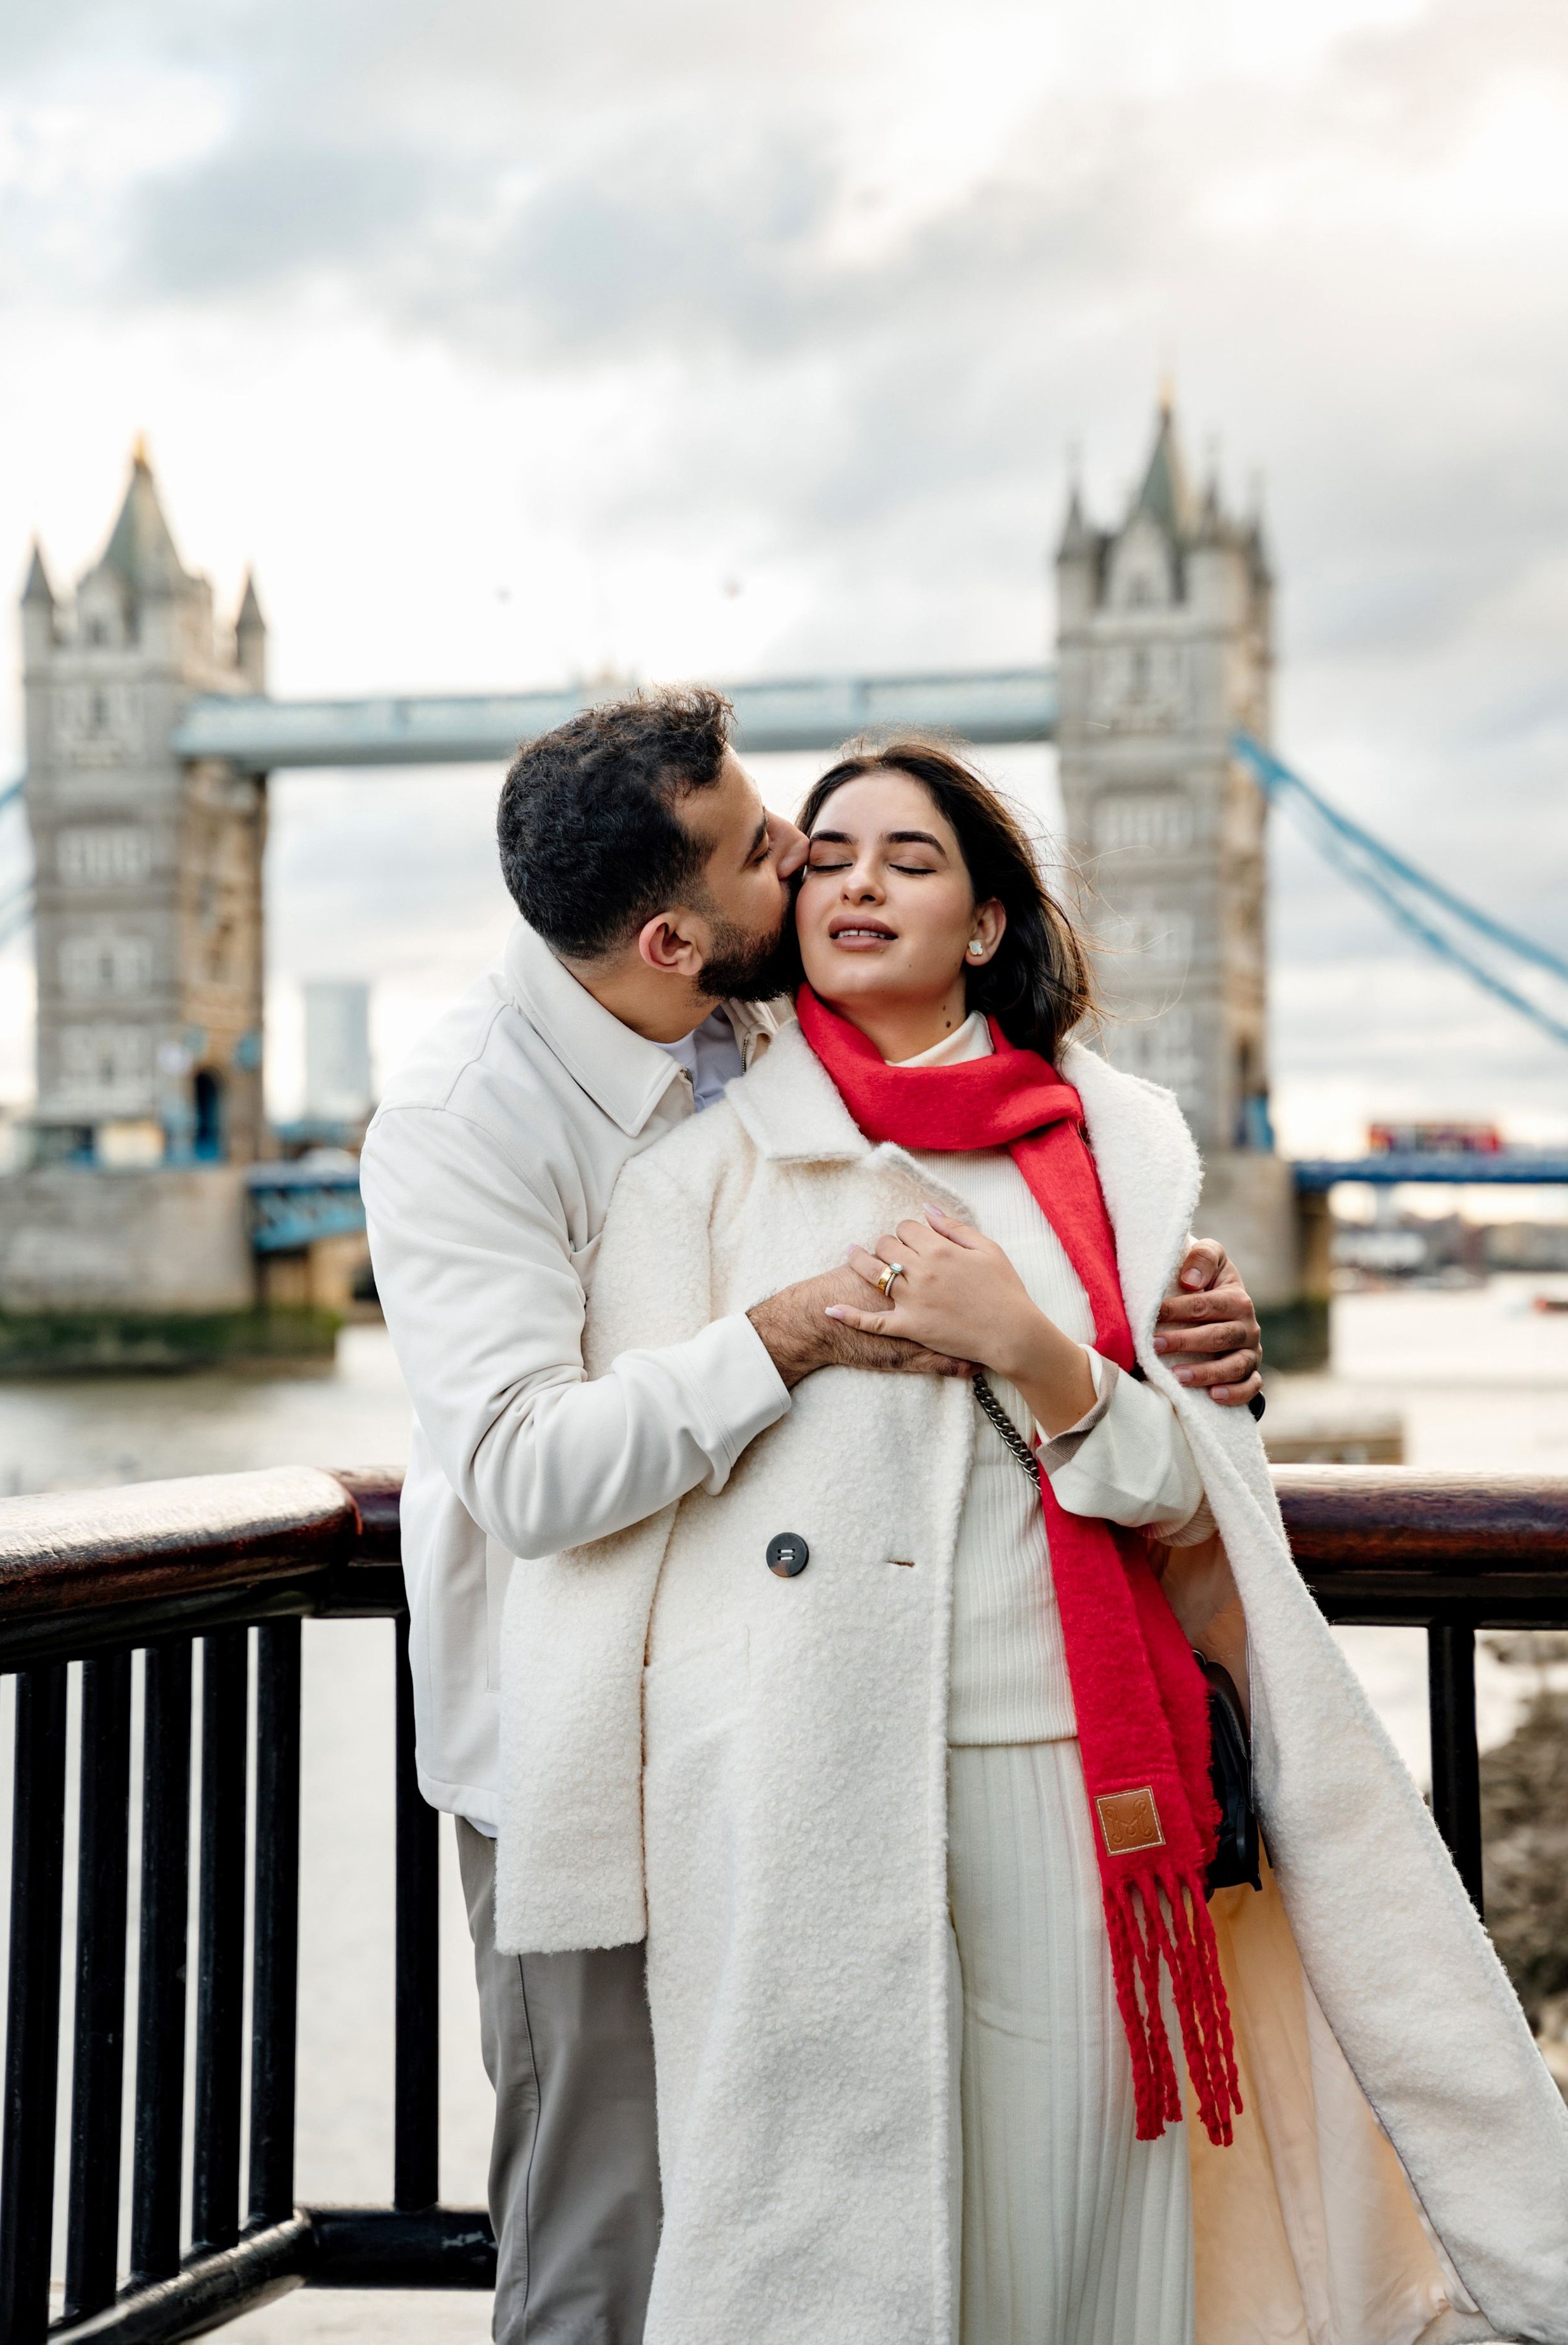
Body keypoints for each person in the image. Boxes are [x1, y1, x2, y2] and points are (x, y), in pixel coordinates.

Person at [497, 738, 1568, 2345]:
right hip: (808, 1789)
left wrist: (1034, 1348)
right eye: (831, 853)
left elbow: (1184, 1490)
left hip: (1079, 1777)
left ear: (988, 923)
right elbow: (600, 1518)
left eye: (911, 860)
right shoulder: (691, 1176)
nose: (856, 881)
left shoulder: (1112, 1155)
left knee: (1084, 2243)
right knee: (848, 2260)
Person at [362, 693, 1268, 2345]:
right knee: (603, 2231)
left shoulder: (770, 1021)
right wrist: (781, 1335)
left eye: (824, 840)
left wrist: (1170, 1311)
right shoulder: (462, 1120)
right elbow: (527, 1471)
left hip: (840, 1737)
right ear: (668, 938)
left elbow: (1011, 1149)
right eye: (780, 850)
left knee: (842, 2217)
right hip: (569, 1733)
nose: (810, 871)